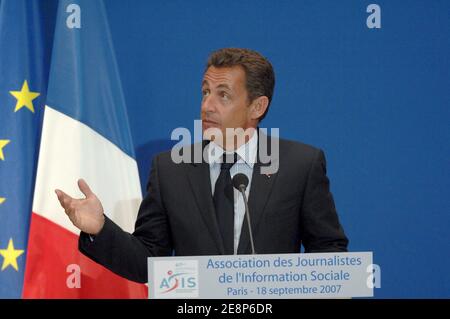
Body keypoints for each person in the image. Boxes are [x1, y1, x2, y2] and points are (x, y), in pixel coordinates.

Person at [55, 48, 348, 284]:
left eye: (223, 95)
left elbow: (328, 251)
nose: (207, 105)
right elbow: (148, 262)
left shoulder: (299, 165)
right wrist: (100, 228)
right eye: (205, 91)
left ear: (257, 107)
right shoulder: (170, 169)